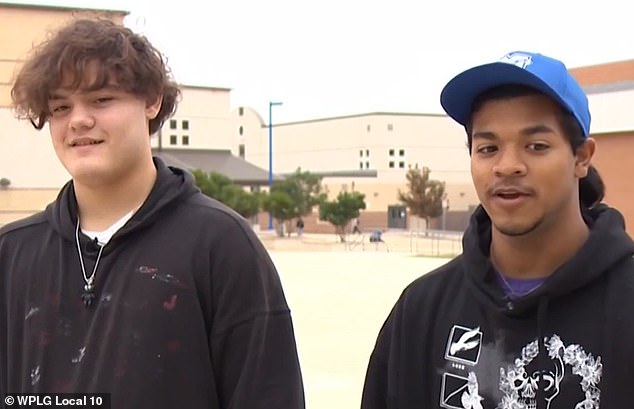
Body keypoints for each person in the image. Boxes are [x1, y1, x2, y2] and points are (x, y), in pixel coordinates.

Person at [1, 19, 304, 409]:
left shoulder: (221, 246)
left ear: (151, 100)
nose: (78, 120)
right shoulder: (12, 253)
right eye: (60, 107)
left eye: (101, 99)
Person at [361, 51, 634, 408]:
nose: (507, 166)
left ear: (581, 157)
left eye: (536, 146)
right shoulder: (420, 311)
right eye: (488, 148)